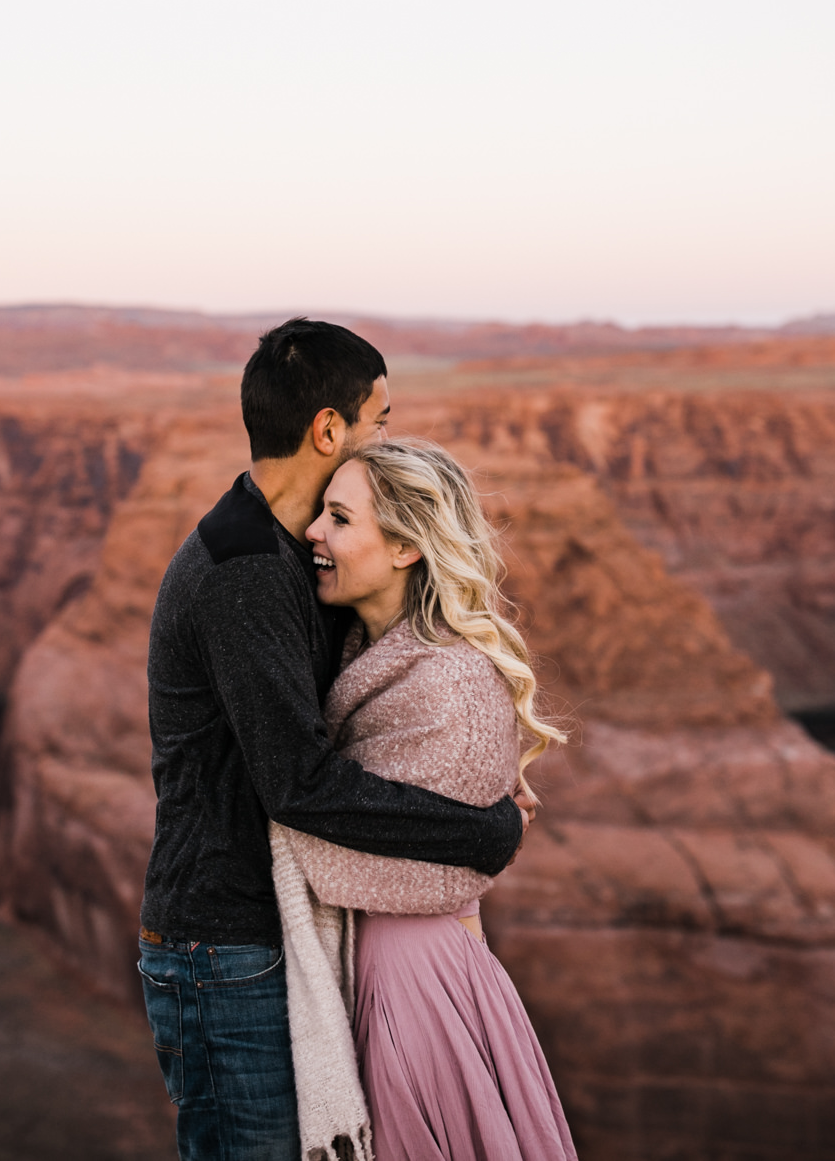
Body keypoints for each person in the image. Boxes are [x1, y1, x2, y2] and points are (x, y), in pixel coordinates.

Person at [139, 319, 536, 1161]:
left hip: (254, 939)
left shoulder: (285, 553)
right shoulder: (246, 573)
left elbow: (372, 708)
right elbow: (301, 785)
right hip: (223, 945)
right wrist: (481, 830)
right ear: (329, 429)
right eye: (380, 418)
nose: (389, 435)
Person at [274, 438, 578, 1161]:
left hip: (419, 987)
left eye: (340, 518)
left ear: (407, 546)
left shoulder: (451, 685)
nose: (314, 531)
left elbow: (356, 849)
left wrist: (490, 833)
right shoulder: (363, 652)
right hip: (400, 968)